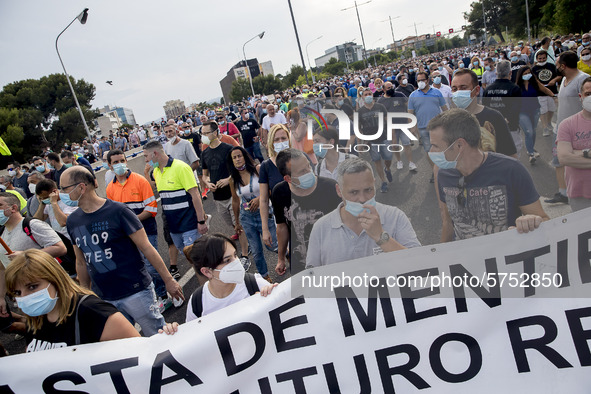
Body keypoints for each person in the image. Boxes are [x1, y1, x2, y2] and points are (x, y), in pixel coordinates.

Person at [64, 166, 183, 336]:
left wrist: (168, 280)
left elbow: (146, 247)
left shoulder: (118, 211)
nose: (61, 193)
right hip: (104, 296)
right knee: (124, 344)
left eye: (64, 188)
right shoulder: (73, 221)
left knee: (158, 335)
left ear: (81, 187)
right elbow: (81, 261)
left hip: (136, 291)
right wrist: (85, 295)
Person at [429, 109, 549, 242]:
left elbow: (543, 220)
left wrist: (530, 221)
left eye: (435, 146)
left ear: (459, 145)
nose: (431, 151)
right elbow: (448, 223)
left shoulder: (512, 170)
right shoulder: (444, 174)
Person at [4, 249, 139, 352]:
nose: (25, 297)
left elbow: (138, 353)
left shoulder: (93, 311)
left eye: (32, 287)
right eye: (17, 292)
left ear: (55, 279)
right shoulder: (36, 320)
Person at [307, 157, 420, 267]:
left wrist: (381, 238)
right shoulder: (321, 228)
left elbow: (419, 263)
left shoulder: (395, 217)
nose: (362, 198)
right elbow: (312, 278)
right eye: (354, 192)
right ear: (339, 191)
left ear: (374, 184)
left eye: (368, 190)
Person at [159, 234, 276, 330]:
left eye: (235, 255)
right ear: (207, 272)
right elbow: (192, 339)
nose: (236, 262)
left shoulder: (254, 284)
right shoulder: (198, 303)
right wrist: (175, 333)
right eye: (227, 260)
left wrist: (272, 294)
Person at [105, 149, 170, 311]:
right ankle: (153, 296)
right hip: (127, 237)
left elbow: (151, 208)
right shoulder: (110, 189)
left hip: (146, 231)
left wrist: (130, 222)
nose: (119, 164)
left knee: (150, 265)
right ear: (109, 165)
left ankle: (164, 295)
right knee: (139, 268)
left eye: (122, 160)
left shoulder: (140, 181)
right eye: (115, 162)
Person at [144, 141, 208, 279]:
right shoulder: (156, 171)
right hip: (173, 227)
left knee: (198, 260)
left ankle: (210, 290)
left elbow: (195, 195)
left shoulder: (181, 167)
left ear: (154, 154)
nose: (145, 160)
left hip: (189, 224)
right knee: (190, 259)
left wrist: (201, 220)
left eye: (146, 156)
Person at [271, 148, 341, 275]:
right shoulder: (279, 193)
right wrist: (281, 258)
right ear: (288, 178)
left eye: (308, 166)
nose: (309, 171)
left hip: (333, 260)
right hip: (301, 263)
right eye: (303, 171)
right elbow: (281, 227)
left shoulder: (330, 188)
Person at [546, 51, 589, 204]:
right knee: (558, 160)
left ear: (563, 66)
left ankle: (578, 194)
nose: (556, 66)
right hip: (561, 129)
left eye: (557, 64)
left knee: (578, 162)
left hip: (579, 132)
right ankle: (563, 193)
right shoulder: (564, 79)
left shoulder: (582, 79)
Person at [200, 121, 249, 257]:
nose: (203, 136)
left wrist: (228, 179)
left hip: (234, 195)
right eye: (202, 134)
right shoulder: (204, 153)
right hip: (218, 198)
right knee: (232, 224)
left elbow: (240, 169)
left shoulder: (228, 149)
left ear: (215, 133)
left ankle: (244, 254)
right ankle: (247, 240)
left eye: (206, 133)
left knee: (239, 225)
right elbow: (204, 175)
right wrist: (208, 183)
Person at [229, 146, 276, 281]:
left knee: (274, 245)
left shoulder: (258, 170)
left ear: (245, 156)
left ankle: (289, 260)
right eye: (234, 157)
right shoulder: (233, 179)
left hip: (265, 213)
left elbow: (271, 189)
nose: (238, 159)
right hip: (247, 217)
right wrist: (237, 222)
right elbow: (235, 201)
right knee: (256, 252)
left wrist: (259, 198)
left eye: (239, 156)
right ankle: (265, 277)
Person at [451, 69, 517, 158]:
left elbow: (510, 154)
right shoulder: (448, 121)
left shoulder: (494, 117)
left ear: (477, 90)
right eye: (454, 89)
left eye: (463, 88)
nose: (458, 92)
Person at [556, 77, 591, 211]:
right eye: (588, 94)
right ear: (580, 96)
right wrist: (588, 152)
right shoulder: (567, 124)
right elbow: (564, 158)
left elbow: (569, 155)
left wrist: (577, 152)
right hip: (579, 195)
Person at [408, 71, 448, 182]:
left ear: (427, 80)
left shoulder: (436, 92)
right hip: (423, 128)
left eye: (422, 80)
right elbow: (410, 113)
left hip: (438, 127)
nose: (420, 82)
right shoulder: (413, 95)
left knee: (442, 149)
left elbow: (445, 109)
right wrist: (412, 128)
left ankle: (445, 170)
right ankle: (435, 172)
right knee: (429, 151)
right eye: (418, 80)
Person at [259, 124, 292, 250]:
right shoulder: (266, 166)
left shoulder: (299, 158)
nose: (281, 142)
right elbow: (263, 200)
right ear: (271, 143)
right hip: (282, 220)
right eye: (276, 140)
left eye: (284, 138)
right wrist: (265, 229)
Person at [515, 66, 555, 163]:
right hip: (522, 112)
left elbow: (545, 90)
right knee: (529, 131)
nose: (527, 75)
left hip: (535, 110)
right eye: (525, 74)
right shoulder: (516, 86)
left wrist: (555, 96)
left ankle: (531, 148)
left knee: (533, 131)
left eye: (529, 73)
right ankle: (531, 153)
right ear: (520, 75)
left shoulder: (534, 83)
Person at [358, 88, 394, 192]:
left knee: (388, 157)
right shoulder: (360, 111)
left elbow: (388, 121)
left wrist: (392, 136)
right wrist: (360, 143)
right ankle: (383, 182)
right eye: (366, 94)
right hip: (371, 141)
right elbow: (358, 128)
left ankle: (387, 169)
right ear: (362, 97)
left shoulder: (380, 107)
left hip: (384, 137)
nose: (368, 95)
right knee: (377, 160)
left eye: (370, 94)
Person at [483, 60, 523, 154]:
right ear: (510, 73)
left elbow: (485, 108)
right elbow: (516, 109)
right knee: (514, 155)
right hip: (511, 128)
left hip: (493, 128)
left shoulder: (488, 89)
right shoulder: (515, 89)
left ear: (496, 73)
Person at [532, 50, 561, 137]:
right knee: (543, 110)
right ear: (536, 59)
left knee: (551, 109)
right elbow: (534, 81)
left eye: (544, 58)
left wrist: (554, 80)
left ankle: (548, 122)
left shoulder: (551, 66)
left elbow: (559, 76)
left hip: (552, 91)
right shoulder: (534, 69)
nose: (542, 60)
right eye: (540, 58)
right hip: (540, 93)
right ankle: (545, 127)